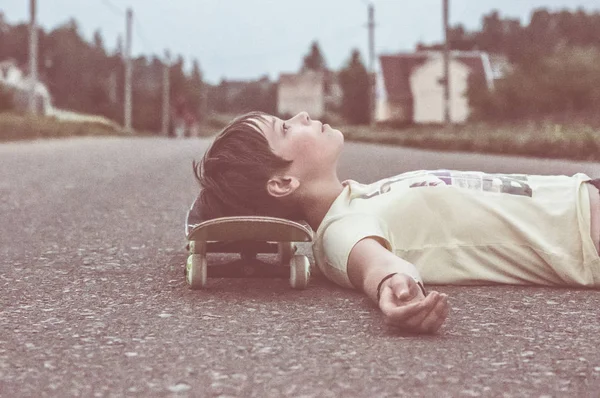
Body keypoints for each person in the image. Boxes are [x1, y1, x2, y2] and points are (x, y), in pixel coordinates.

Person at [193, 110, 600, 334]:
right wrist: (394, 285)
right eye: (285, 127)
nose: (300, 115)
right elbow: (371, 261)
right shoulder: (339, 229)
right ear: (283, 183)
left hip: (581, 189)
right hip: (584, 230)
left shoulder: (359, 195)